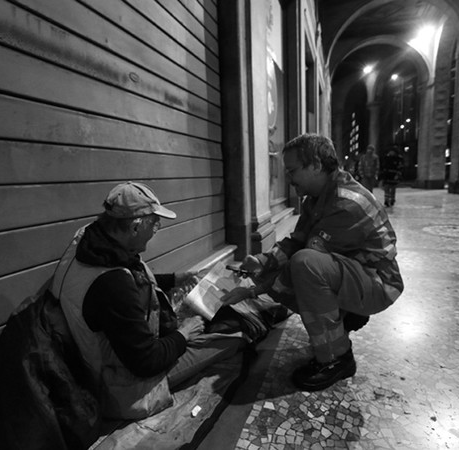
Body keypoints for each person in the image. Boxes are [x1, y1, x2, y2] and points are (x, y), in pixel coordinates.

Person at [222, 134, 403, 392]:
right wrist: (262, 261)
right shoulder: (317, 197)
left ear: (316, 165)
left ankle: (337, 359)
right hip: (356, 274)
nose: (288, 178)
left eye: (292, 170)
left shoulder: (345, 204)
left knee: (305, 268)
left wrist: (253, 291)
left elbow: (305, 261)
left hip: (378, 284)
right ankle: (346, 317)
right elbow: (297, 240)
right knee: (304, 266)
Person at [49, 181, 244, 419]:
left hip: (100, 353)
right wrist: (184, 334)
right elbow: (146, 361)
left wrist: (175, 279)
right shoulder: (112, 284)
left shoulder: (93, 239)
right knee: (232, 338)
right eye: (154, 222)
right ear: (134, 226)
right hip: (120, 382)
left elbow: (130, 276)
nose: (157, 227)